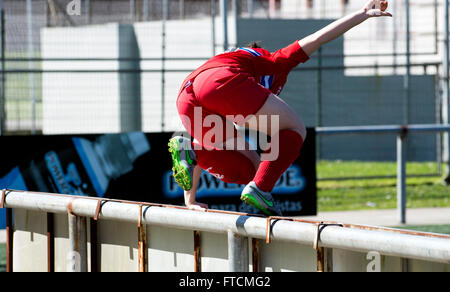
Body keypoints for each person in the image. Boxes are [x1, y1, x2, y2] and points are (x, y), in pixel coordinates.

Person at [169, 0, 392, 216]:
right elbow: (316, 39)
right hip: (222, 82)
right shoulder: (274, 62)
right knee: (294, 128)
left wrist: (190, 201)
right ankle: (261, 189)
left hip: (186, 93)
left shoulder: (231, 59)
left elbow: (196, 144)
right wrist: (361, 15)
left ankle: (258, 186)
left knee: (253, 169)